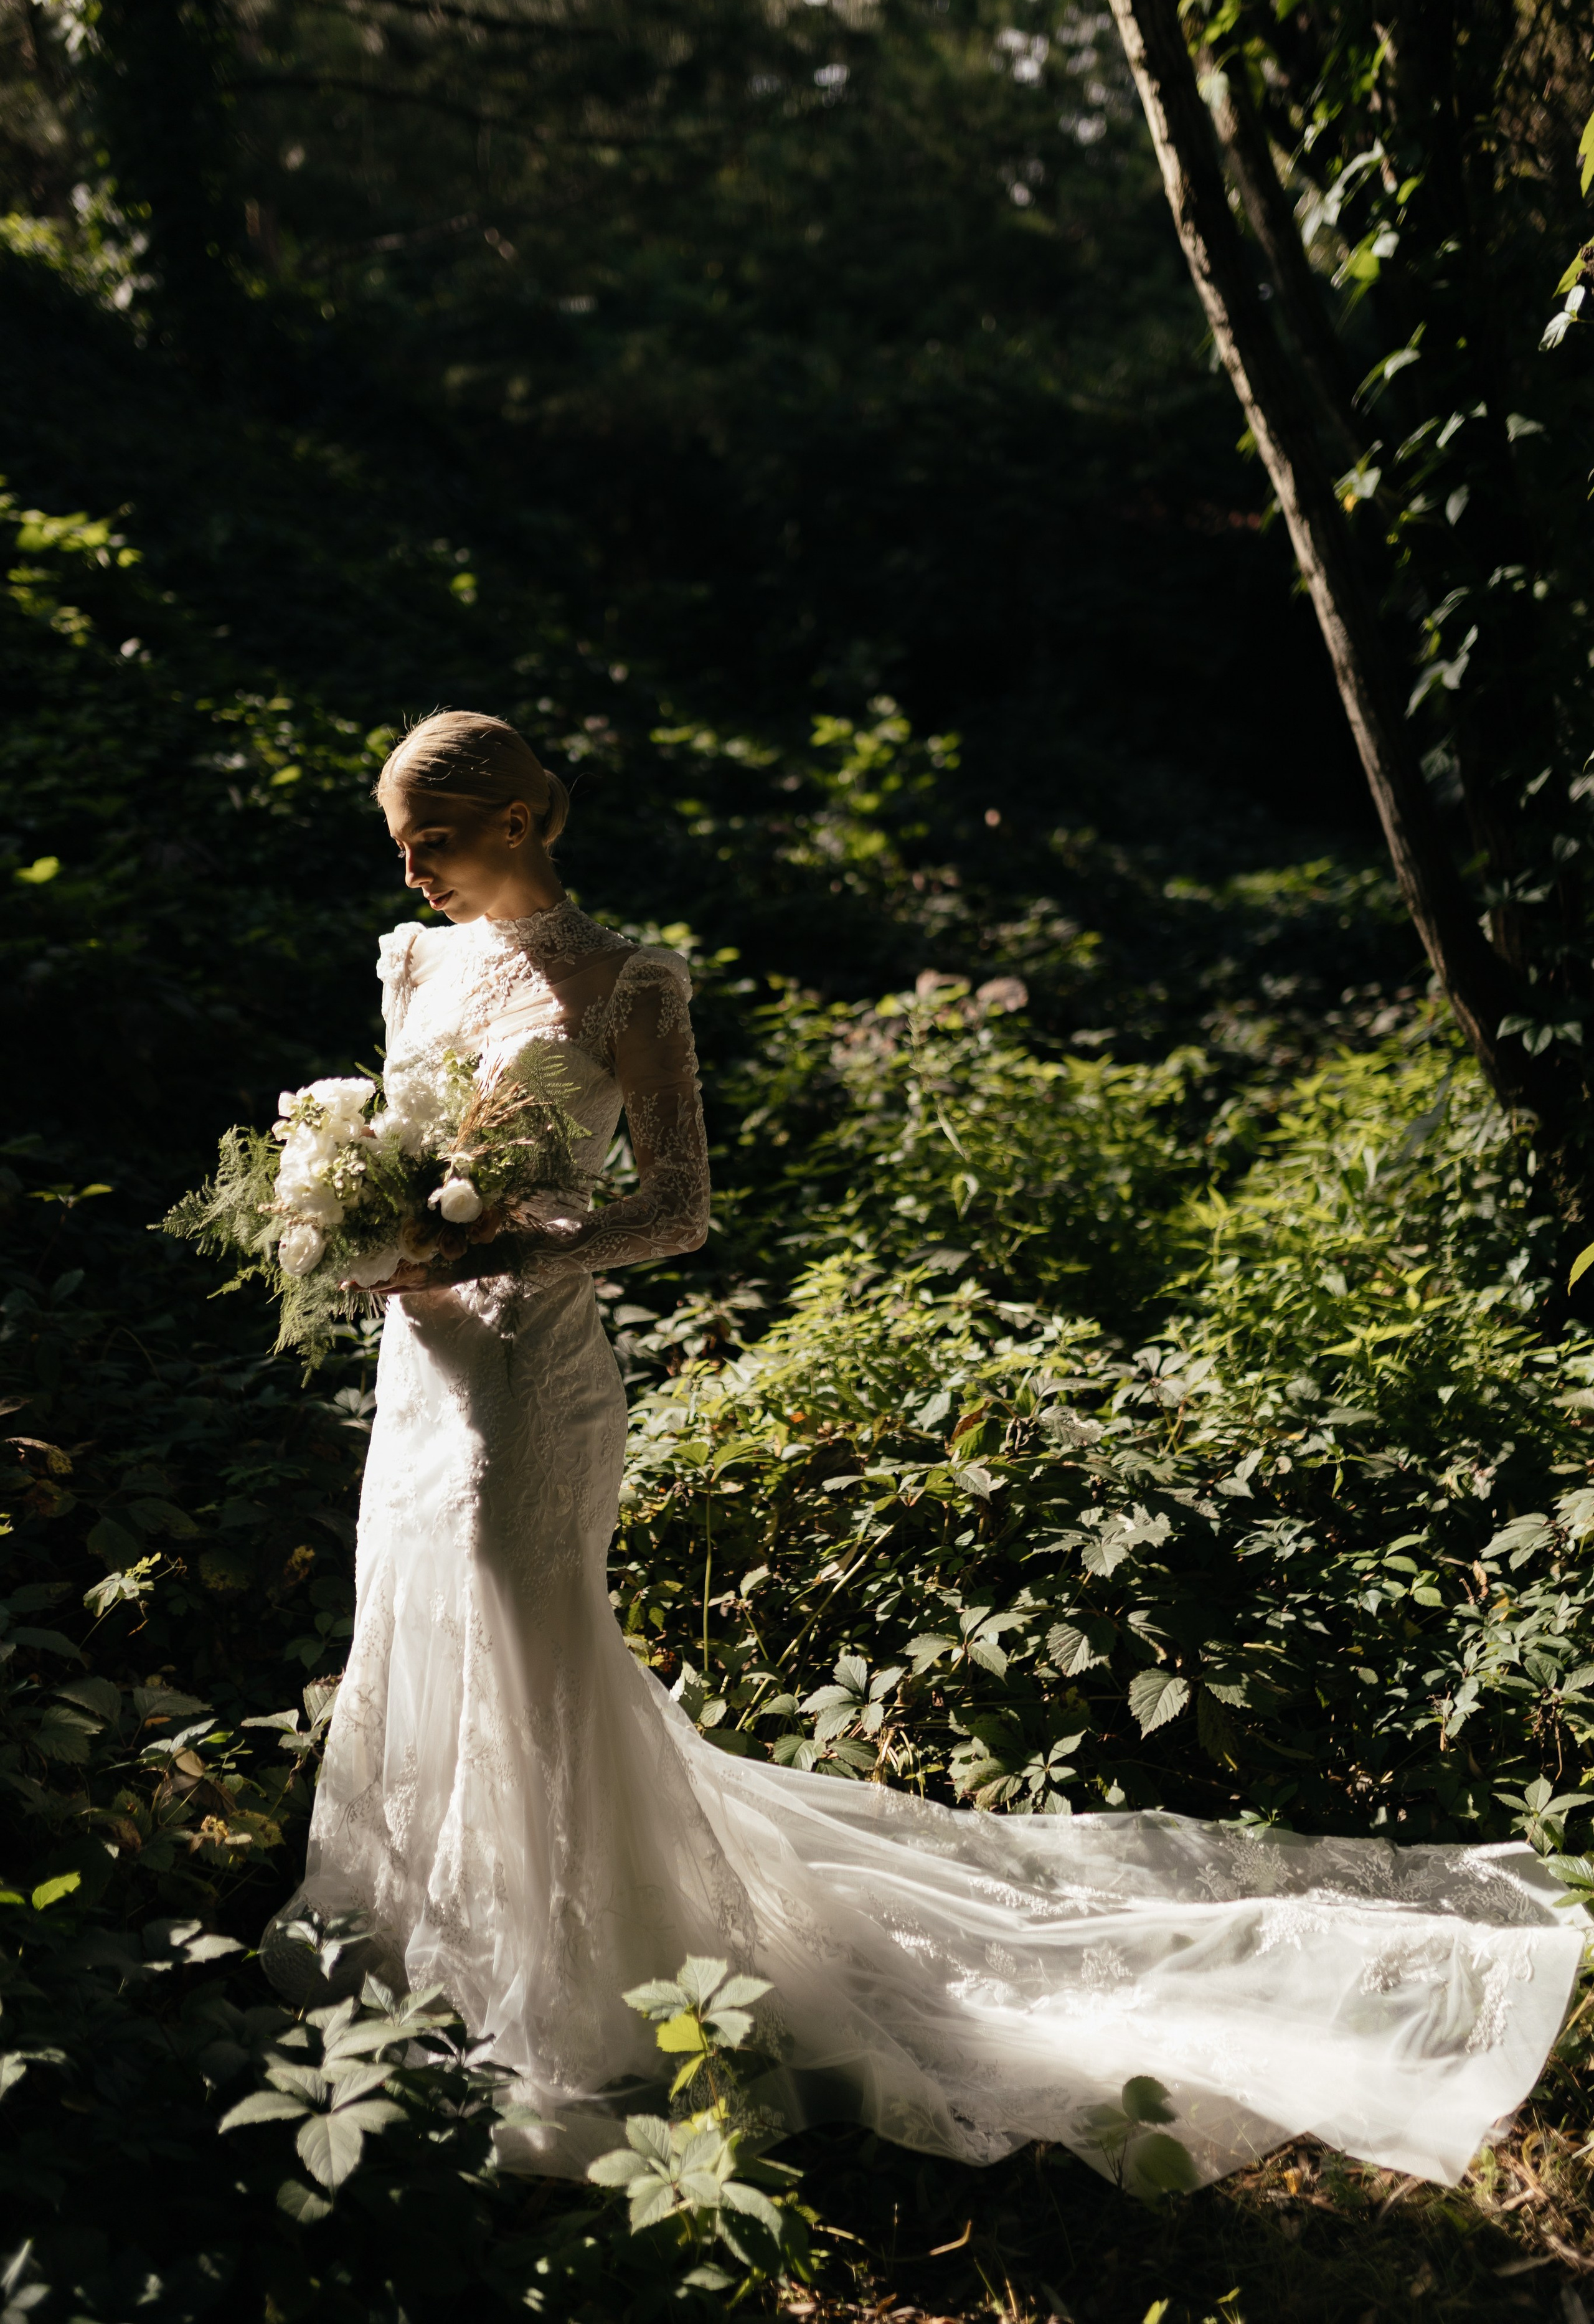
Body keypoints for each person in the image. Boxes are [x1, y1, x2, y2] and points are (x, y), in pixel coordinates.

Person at [266, 707, 1583, 2190]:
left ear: (516, 821)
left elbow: (680, 1210)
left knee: (532, 1636)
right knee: (416, 1615)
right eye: (395, 843)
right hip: (423, 1360)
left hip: (529, 1377)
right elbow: (405, 1144)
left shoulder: (627, 983)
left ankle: (575, 1986)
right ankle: (430, 1934)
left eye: (427, 839)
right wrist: (377, 1227)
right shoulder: (411, 959)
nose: (408, 867)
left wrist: (518, 1235)